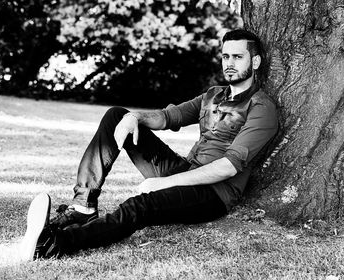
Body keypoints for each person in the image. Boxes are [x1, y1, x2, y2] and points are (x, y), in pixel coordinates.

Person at [20, 29, 278, 261]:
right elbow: (170, 116)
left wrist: (162, 183)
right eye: (225, 57)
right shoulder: (213, 94)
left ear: (254, 62)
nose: (229, 63)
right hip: (186, 170)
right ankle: (83, 207)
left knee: (140, 206)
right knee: (116, 116)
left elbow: (228, 167)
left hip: (213, 194)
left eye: (237, 57)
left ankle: (53, 244)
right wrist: (134, 117)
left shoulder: (261, 107)